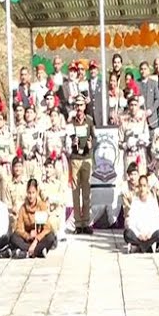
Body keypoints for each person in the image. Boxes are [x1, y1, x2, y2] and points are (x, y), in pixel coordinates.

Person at [68, 98, 96, 234]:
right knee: (75, 191)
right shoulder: (71, 122)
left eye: (81, 105)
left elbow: (94, 137)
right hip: (75, 158)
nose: (79, 108)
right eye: (77, 105)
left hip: (87, 158)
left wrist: (91, 145)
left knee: (86, 191)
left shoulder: (89, 121)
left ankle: (86, 222)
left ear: (85, 106)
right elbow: (67, 140)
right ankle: (78, 224)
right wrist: (72, 143)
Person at [10, 178, 57, 258]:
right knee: (13, 237)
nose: (31, 196)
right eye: (29, 193)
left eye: (33, 193)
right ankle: (37, 252)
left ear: (37, 193)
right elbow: (19, 228)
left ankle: (26, 252)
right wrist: (28, 236)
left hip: (39, 238)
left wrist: (36, 240)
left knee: (51, 237)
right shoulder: (23, 208)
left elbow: (47, 228)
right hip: (28, 239)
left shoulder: (42, 206)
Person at [123, 176, 159, 253]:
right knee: (127, 234)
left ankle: (140, 247)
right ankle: (146, 246)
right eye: (140, 186)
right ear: (138, 187)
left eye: (144, 186)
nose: (142, 188)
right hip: (138, 235)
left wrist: (149, 233)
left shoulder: (152, 202)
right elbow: (131, 222)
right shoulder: (135, 202)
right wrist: (138, 235)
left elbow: (156, 221)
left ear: (148, 187)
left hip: (149, 235)